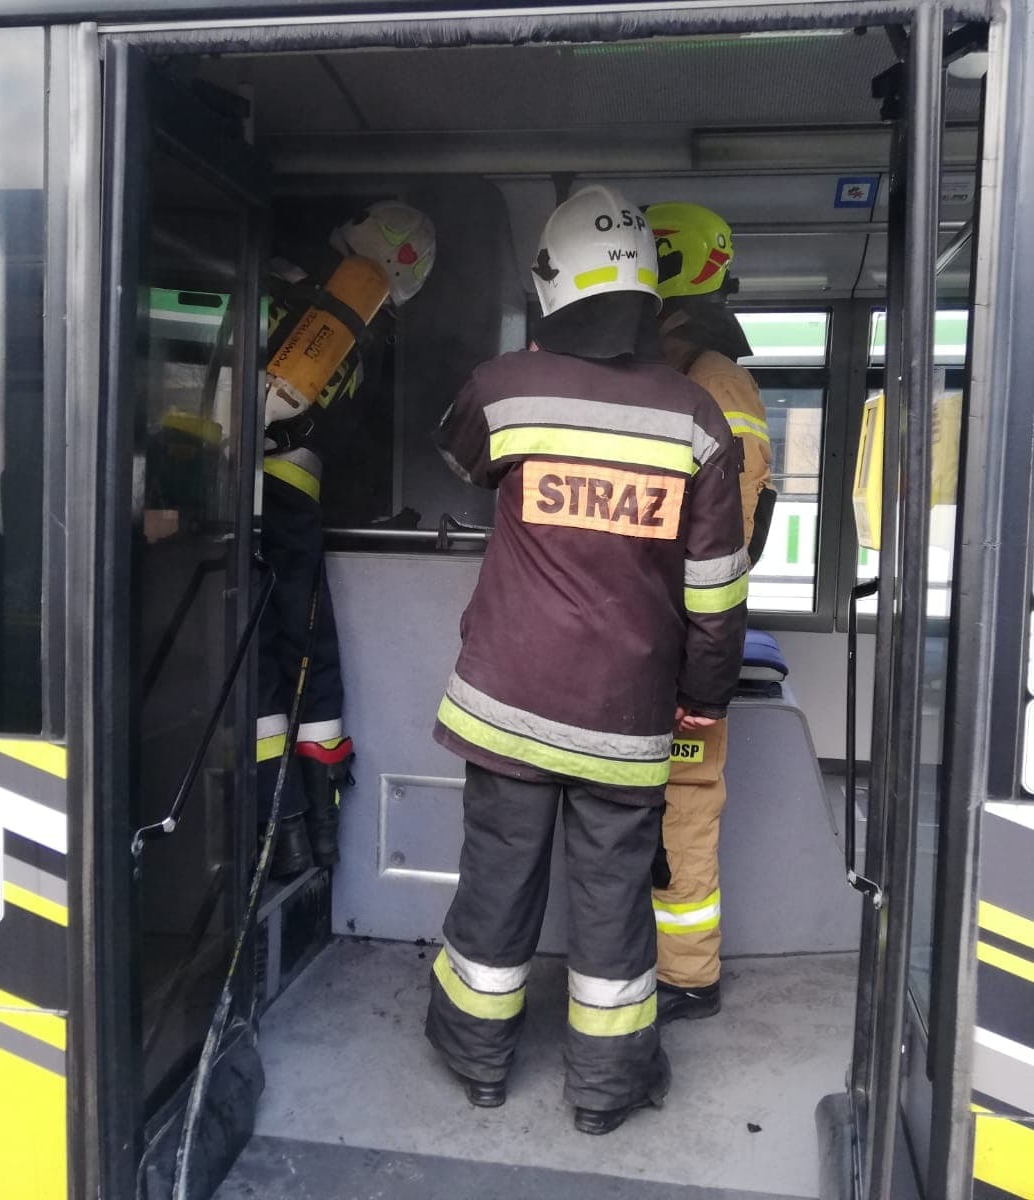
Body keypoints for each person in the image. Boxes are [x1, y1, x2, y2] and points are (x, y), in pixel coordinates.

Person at [425, 185, 749, 1134]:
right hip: (627, 716)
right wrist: (704, 695)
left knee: (497, 879)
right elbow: (715, 589)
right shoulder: (696, 416)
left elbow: (459, 459)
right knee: (613, 899)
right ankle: (605, 1091)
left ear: (551, 283)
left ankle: (478, 1063)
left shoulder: (506, 388)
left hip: (506, 701)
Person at [258, 202, 437, 879]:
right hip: (297, 502)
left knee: (255, 658)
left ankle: (278, 830)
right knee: (310, 653)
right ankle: (317, 838)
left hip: (239, 493)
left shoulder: (280, 284)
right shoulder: (369, 342)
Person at [642, 202, 774, 1024]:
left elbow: (720, 543)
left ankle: (686, 976)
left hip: (685, 645)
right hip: (663, 639)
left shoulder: (713, 386)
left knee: (682, 811)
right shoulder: (689, 375)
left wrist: (696, 670)